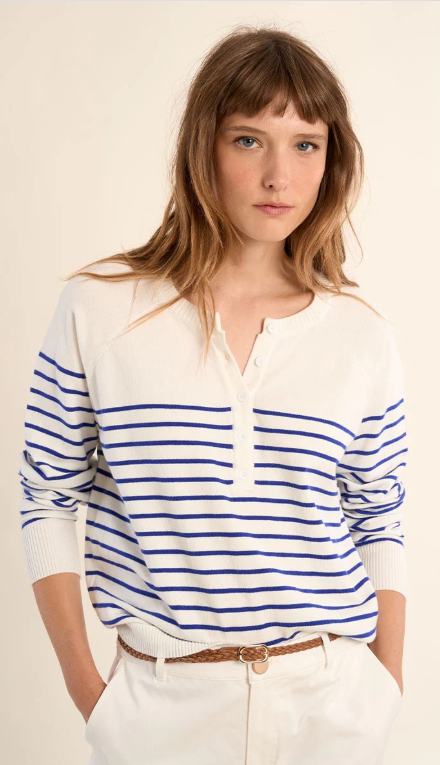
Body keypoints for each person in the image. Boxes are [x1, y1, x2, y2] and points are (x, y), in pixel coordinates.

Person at [19, 25, 408, 765]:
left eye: (306, 144)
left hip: (329, 706)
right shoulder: (102, 310)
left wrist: (384, 687)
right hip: (160, 708)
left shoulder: (361, 334)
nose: (279, 176)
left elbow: (378, 514)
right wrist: (90, 693)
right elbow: (46, 495)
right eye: (248, 139)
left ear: (331, 161)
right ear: (204, 146)